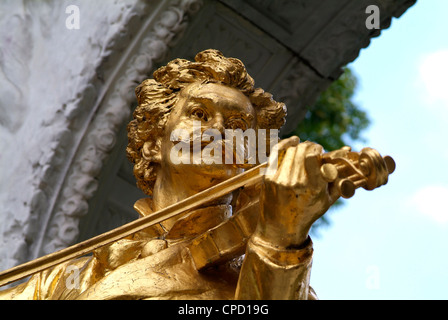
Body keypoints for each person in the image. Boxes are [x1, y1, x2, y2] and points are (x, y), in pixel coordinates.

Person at [0, 49, 338, 300]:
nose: (218, 130)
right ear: (153, 143)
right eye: (200, 114)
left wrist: (280, 237)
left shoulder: (270, 276)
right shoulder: (60, 280)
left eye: (237, 126)